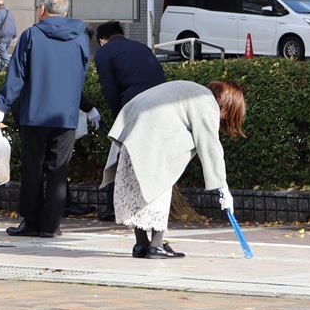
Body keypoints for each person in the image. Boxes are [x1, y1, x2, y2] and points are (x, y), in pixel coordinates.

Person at [101, 80, 245, 260]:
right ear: (226, 103)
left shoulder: (193, 94)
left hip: (133, 127)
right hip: (152, 133)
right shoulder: (206, 102)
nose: (223, 117)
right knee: (159, 186)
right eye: (228, 113)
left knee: (139, 187)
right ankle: (156, 246)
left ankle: (141, 244)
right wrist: (223, 187)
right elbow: (210, 145)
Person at [0, 0, 90, 239]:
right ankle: (51, 225)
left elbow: (17, 74)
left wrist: (1, 105)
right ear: (65, 13)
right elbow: (82, 71)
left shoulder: (32, 34)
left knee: (32, 169)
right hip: (65, 114)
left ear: (43, 10)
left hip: (34, 112)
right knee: (58, 170)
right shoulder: (80, 38)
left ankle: (31, 221)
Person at [92, 20, 166, 219]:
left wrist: (119, 117)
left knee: (122, 156)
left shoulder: (103, 53)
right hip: (162, 104)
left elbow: (109, 89)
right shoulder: (141, 47)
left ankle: (115, 207)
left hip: (135, 106)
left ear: (101, 40)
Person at [0, 0, 17, 70]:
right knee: (5, 51)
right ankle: (2, 69)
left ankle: (11, 64)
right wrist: (14, 35)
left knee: (2, 52)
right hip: (10, 35)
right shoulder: (9, 13)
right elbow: (14, 24)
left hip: (2, 35)